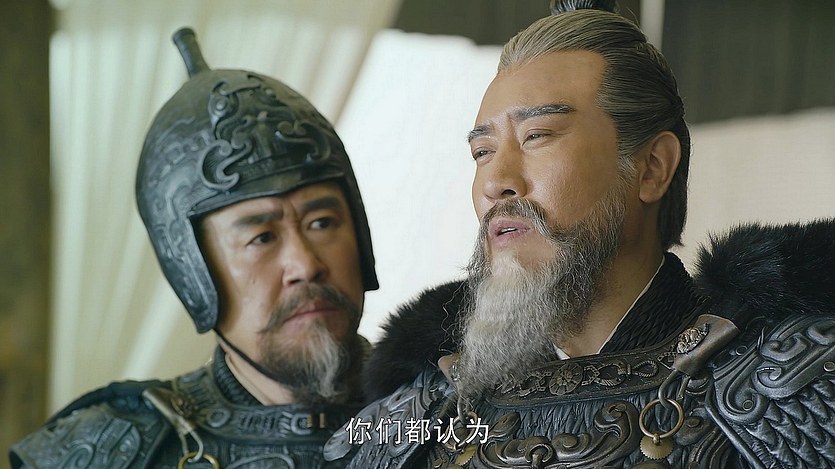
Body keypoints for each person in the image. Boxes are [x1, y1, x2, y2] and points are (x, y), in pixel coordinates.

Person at [323, 1, 835, 468]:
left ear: (652, 167)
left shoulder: (791, 386)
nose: (496, 182)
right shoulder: (420, 415)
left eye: (536, 136)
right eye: (482, 152)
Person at [11, 27, 378, 468]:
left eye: (321, 223)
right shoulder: (114, 450)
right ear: (193, 271)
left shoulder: (441, 418)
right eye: (262, 238)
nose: (305, 264)